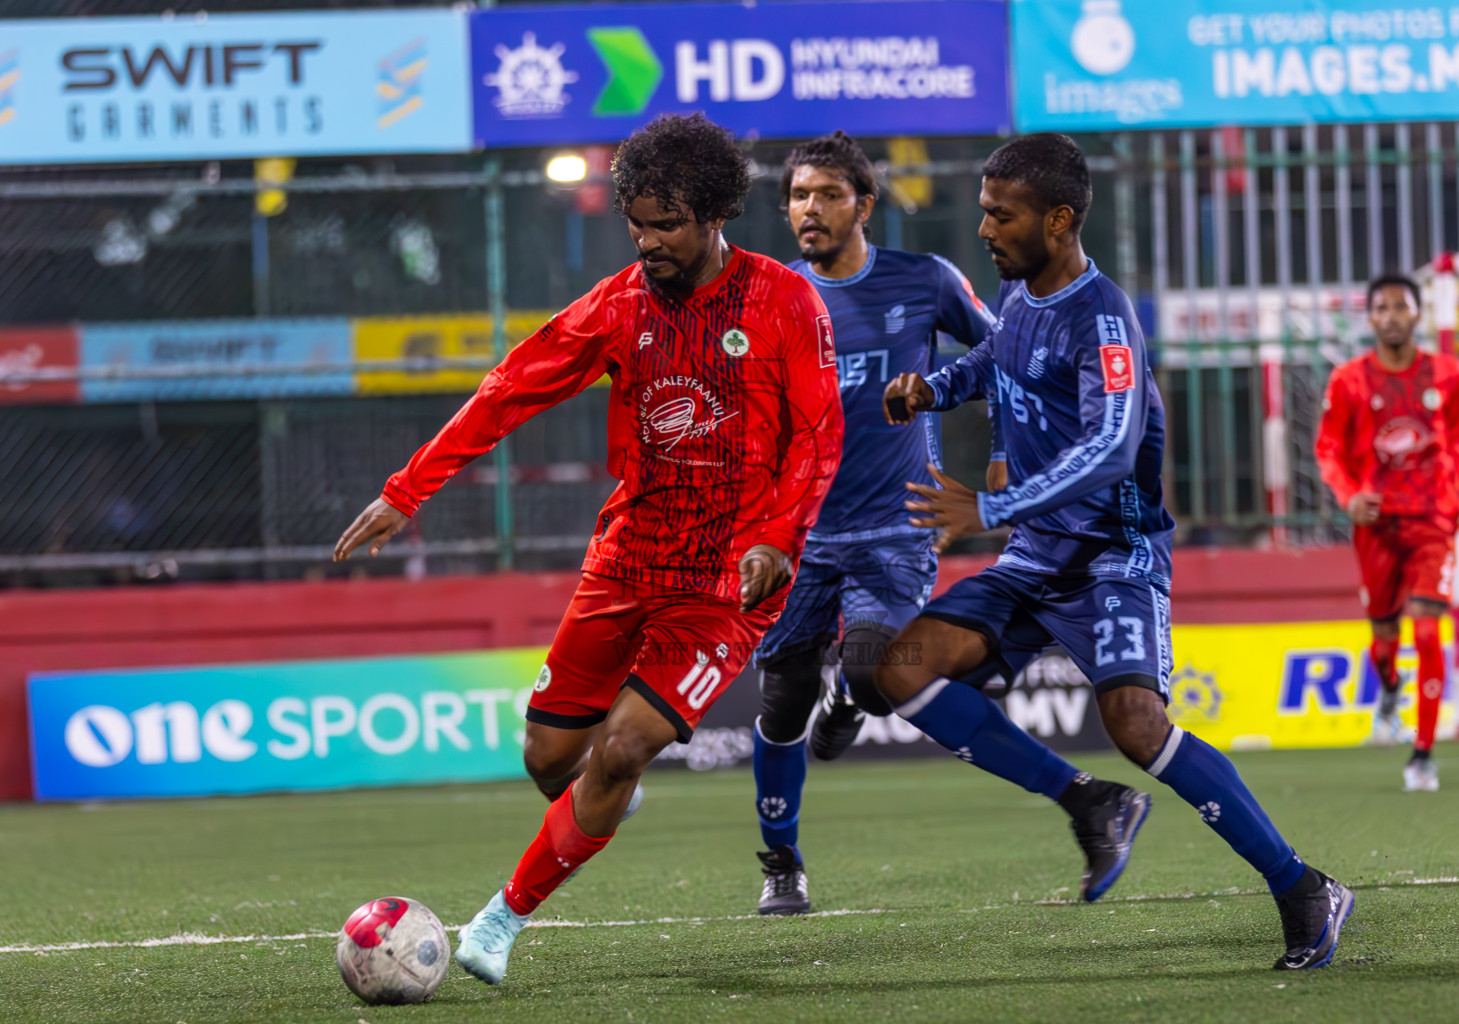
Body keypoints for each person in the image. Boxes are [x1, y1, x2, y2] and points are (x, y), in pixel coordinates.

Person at [332, 113, 843, 985]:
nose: (647, 240)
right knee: (548, 759)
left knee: (622, 746)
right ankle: (603, 798)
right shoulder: (618, 306)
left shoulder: (784, 301)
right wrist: (406, 488)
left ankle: (498, 922)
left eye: (666, 224)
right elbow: (508, 392)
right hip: (627, 561)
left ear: (716, 213)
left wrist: (776, 538)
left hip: (727, 582)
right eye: (635, 222)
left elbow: (818, 438)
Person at [876, 133, 1354, 970]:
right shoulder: (1022, 292)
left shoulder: (1104, 320)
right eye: (984, 210)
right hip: (1037, 556)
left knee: (1136, 724)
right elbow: (999, 360)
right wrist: (935, 386)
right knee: (900, 666)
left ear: (1059, 220)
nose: (984, 229)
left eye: (1001, 214)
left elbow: (1108, 445)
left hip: (1111, 555)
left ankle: (1301, 887)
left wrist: (989, 505)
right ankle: (1089, 802)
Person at [751, 131, 1008, 915]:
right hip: (800, 538)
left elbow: (1006, 353)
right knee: (782, 699)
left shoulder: (923, 280)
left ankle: (852, 701)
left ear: (864, 205)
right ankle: (782, 861)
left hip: (896, 529)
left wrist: (1001, 453)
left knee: (871, 670)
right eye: (798, 195)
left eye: (827, 194)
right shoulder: (773, 299)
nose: (809, 209)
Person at [1315, 274, 1459, 791]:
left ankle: (1423, 754)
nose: (1391, 315)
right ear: (1370, 317)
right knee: (1385, 638)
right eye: (1381, 307)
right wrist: (1348, 497)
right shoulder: (1348, 380)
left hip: (1434, 517)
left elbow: (1456, 441)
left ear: (1417, 313)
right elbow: (1328, 450)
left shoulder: (1448, 374)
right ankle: (1389, 686)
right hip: (1377, 524)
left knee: (1428, 629)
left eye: (1400, 306)